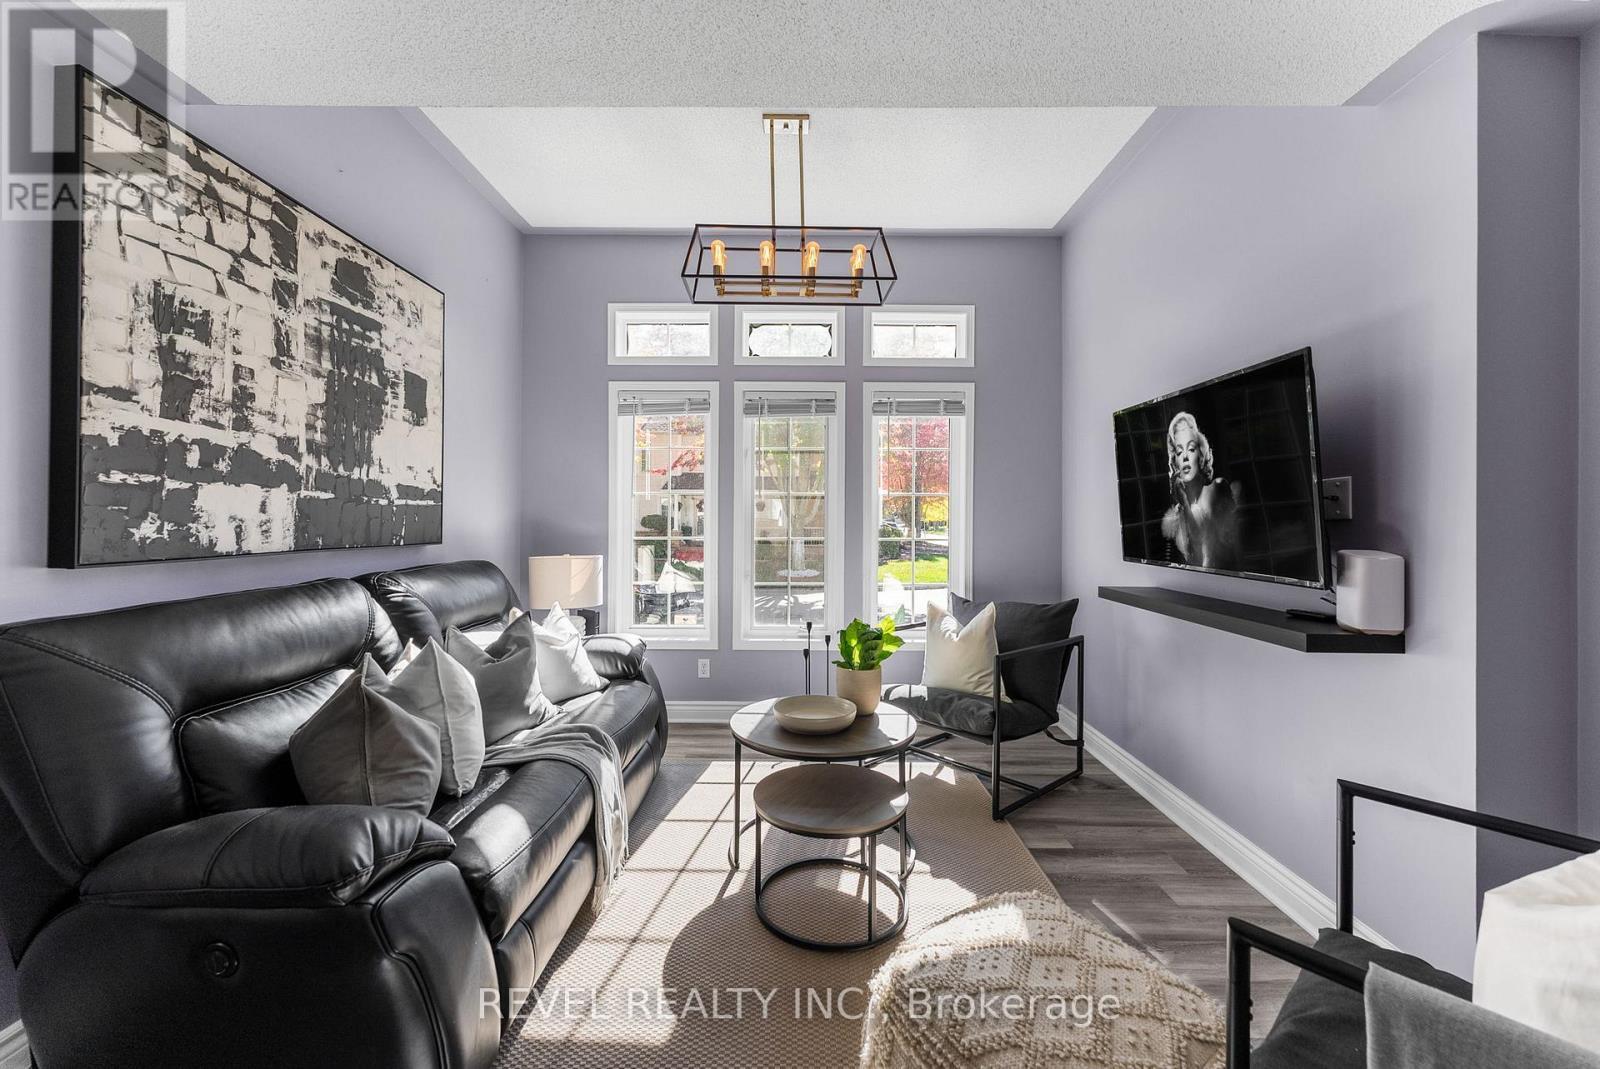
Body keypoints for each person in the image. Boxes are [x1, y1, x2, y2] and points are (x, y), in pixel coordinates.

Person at [1161, 412, 1242, 570]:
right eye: (1178, 452)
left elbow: (1205, 547)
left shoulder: (1217, 488)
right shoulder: (1177, 513)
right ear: (1174, 463)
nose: (1184, 456)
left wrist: (1183, 501)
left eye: (1191, 449)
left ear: (1201, 455)